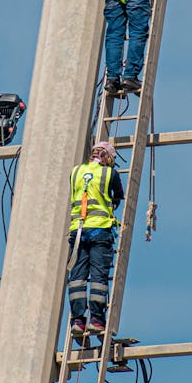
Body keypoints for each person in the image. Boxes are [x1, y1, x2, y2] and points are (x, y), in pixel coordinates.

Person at [67, 142, 124, 336]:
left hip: (78, 232)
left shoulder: (75, 172)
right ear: (108, 157)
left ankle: (77, 320)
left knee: (77, 278)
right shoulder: (110, 174)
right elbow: (119, 196)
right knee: (99, 278)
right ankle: (97, 320)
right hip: (99, 230)